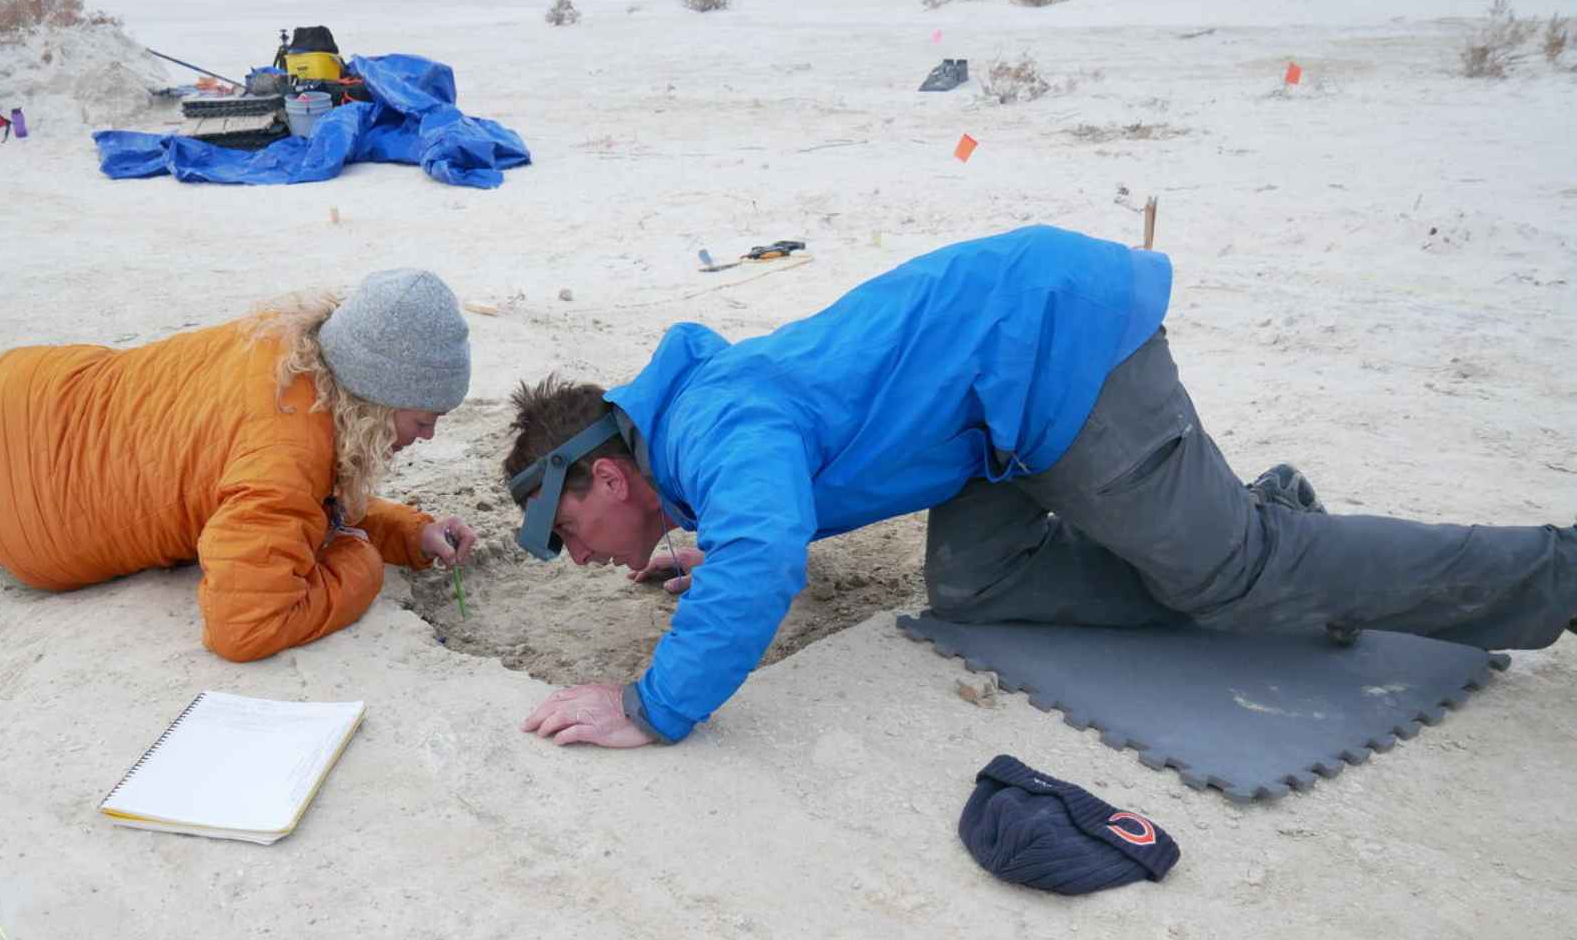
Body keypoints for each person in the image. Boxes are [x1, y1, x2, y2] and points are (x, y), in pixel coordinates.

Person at [501, 225, 1577, 749]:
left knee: (1231, 575)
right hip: (987, 417)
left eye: (568, 528)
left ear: (606, 469)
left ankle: (1550, 573)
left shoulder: (717, 424)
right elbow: (758, 507)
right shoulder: (693, 449)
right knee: (976, 582)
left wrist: (654, 703)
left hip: (1052, 355)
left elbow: (771, 551)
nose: (576, 552)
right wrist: (707, 535)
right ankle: (1260, 520)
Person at [0, 269, 479, 662]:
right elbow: (243, 628)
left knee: (140, 413)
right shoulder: (287, 455)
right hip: (9, 534)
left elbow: (294, 487)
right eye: (422, 416)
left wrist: (408, 533)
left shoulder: (286, 342)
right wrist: (361, 557)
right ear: (373, 395)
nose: (428, 434)